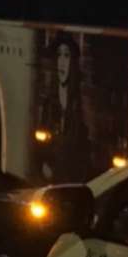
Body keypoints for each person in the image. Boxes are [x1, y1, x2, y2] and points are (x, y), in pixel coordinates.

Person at [38, 33, 88, 183]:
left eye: (66, 56)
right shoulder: (49, 101)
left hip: (73, 174)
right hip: (52, 173)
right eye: (59, 55)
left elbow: (83, 143)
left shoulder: (78, 102)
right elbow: (43, 136)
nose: (62, 62)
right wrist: (46, 162)